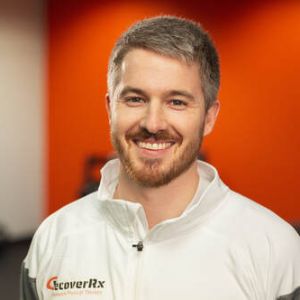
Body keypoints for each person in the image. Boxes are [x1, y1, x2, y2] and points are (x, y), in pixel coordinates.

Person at [21, 16, 300, 300]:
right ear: (110, 109)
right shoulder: (53, 239)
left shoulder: (274, 248)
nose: (153, 124)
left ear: (209, 117)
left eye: (177, 102)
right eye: (135, 99)